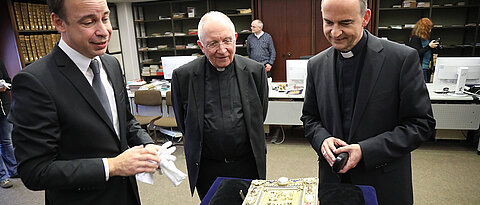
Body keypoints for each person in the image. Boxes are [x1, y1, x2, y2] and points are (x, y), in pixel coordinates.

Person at [8, 0, 161, 204]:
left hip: (126, 195)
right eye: (89, 22)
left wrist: (147, 145)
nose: (104, 31)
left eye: (106, 19)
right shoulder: (34, 82)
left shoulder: (111, 64)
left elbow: (124, 121)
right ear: (59, 22)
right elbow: (35, 171)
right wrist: (112, 166)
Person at [300, 0, 436, 204]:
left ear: (365, 18)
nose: (335, 33)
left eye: (345, 23)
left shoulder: (401, 59)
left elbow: (421, 124)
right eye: (328, 22)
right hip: (333, 183)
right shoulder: (316, 64)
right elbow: (310, 119)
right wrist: (322, 140)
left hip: (383, 184)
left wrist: (365, 150)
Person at [171, 11, 268, 200]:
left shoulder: (255, 71)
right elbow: (184, 123)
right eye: (213, 43)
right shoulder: (184, 76)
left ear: (235, 39)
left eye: (227, 41)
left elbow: (260, 115)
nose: (222, 49)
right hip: (207, 167)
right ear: (201, 46)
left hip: (247, 164)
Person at [0, 59, 17, 189]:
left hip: (4, 108)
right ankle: (3, 177)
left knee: (7, 141)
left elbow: (9, 81)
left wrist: (5, 86)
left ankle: (14, 170)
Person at [408, 18, 439, 83]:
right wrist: (429, 46)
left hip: (428, 67)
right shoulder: (415, 38)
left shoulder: (426, 38)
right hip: (421, 67)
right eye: (428, 28)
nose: (430, 31)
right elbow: (416, 53)